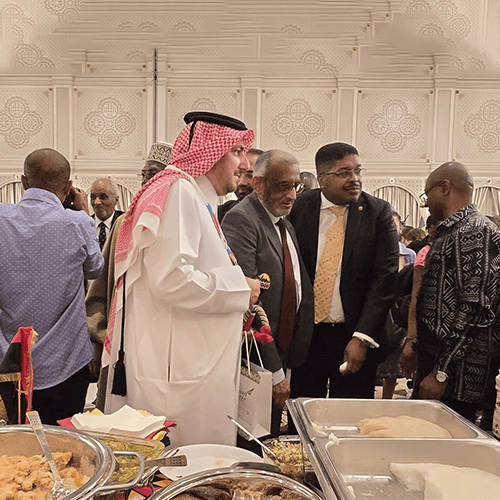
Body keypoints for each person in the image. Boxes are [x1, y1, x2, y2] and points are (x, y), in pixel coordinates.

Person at [104, 112, 260, 447]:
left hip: (191, 365)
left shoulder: (196, 197)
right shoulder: (179, 193)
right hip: (177, 375)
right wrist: (239, 289)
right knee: (182, 465)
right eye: (236, 151)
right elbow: (172, 279)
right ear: (210, 152)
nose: (245, 163)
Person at [0, 148, 104, 424]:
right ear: (69, 188)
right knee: (63, 442)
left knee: (12, 444)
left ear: (24, 182)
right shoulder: (78, 222)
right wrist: (85, 214)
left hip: (9, 363)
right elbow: (96, 268)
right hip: (66, 362)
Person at [289, 142, 399, 401]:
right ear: (322, 179)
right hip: (307, 334)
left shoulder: (377, 212)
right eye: (344, 173)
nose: (354, 179)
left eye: (357, 171)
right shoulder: (299, 208)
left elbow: (385, 279)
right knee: (303, 408)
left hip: (355, 332)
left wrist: (361, 338)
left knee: (350, 413)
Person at [222, 150, 314, 437]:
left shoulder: (280, 220)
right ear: (259, 183)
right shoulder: (242, 219)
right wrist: (274, 372)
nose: (292, 195)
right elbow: (250, 304)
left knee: (271, 432)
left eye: (296, 186)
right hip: (257, 359)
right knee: (255, 438)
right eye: (283, 186)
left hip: (283, 349)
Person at [86, 141, 174, 408]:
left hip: (165, 349)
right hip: (122, 346)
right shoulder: (123, 224)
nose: (148, 181)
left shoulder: (180, 225)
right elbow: (99, 290)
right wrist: (100, 338)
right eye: (145, 174)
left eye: (155, 174)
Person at [412, 161, 500, 423]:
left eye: (427, 194)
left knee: (445, 441)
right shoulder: (455, 230)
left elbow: (475, 307)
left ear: (444, 188)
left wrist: (442, 371)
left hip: (456, 376)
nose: (426, 203)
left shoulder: (475, 231)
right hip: (440, 363)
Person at [218, 147, 263, 221]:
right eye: (238, 174)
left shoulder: (280, 213)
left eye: (250, 176)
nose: (241, 182)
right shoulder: (223, 213)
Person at [90, 178, 124, 249]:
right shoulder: (85, 225)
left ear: (116, 199)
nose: (96, 202)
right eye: (93, 197)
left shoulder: (125, 223)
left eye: (103, 197)